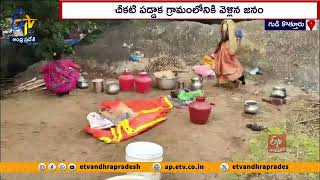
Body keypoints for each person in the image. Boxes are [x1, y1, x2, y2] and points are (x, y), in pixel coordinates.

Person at [211, 20, 245, 86]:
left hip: (225, 47)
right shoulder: (231, 23)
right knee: (231, 63)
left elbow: (224, 37)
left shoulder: (225, 24)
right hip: (230, 45)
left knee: (224, 65)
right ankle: (235, 80)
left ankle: (235, 79)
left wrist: (219, 44)